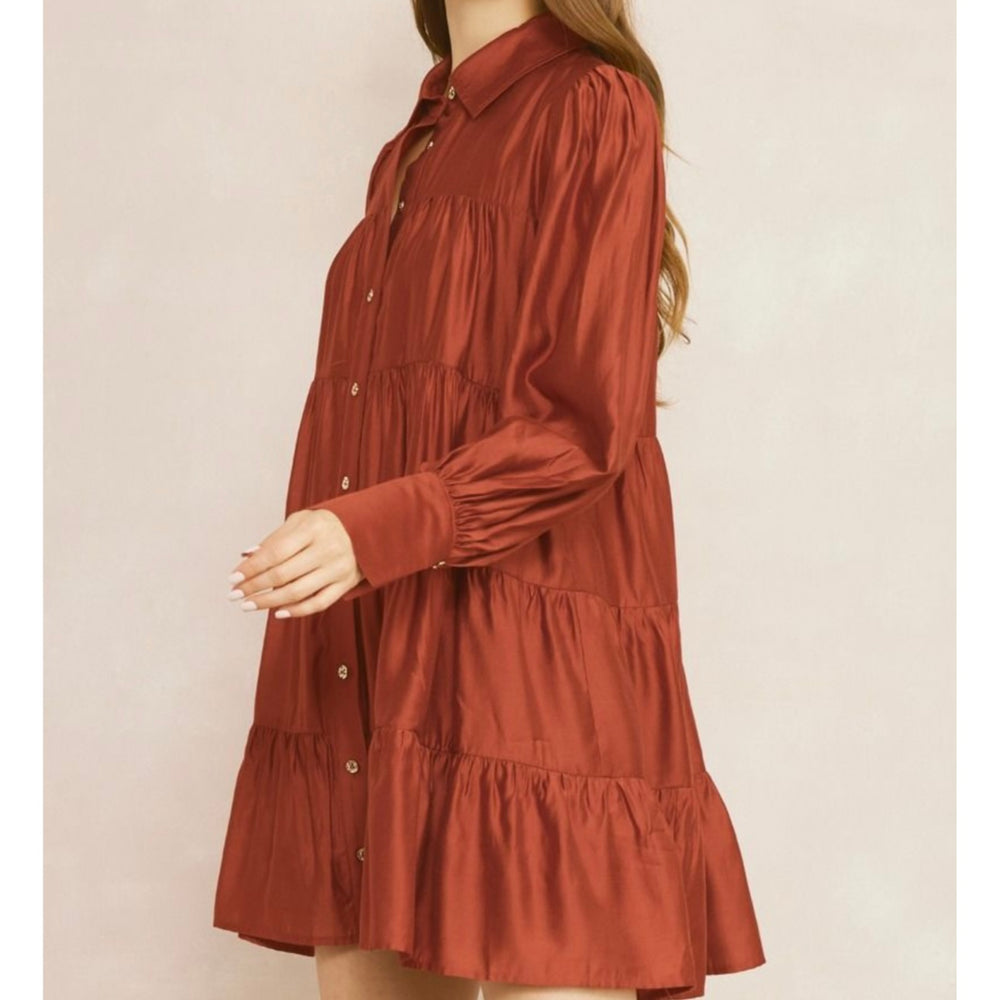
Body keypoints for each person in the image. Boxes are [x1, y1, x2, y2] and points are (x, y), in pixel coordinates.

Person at [213, 2, 766, 998]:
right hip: (380, 654)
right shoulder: (414, 145)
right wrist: (343, 535)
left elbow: (585, 421)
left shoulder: (592, 103)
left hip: (529, 672)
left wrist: (371, 529)